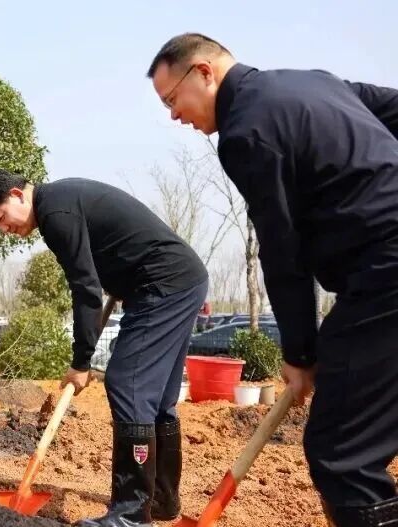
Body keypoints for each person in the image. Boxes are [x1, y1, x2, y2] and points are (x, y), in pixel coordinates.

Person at [147, 33, 398, 526]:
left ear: (204, 72)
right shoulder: (314, 83)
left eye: (172, 99)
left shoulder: (245, 132)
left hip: (385, 270)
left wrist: (300, 353)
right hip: (377, 273)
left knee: (342, 452)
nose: (174, 115)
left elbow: (283, 250)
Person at [0, 171, 208, 526]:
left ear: (18, 194)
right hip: (181, 280)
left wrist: (81, 362)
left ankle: (130, 515)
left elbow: (85, 288)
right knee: (156, 399)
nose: (4, 229)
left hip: (162, 286)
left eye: (1, 218)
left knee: (128, 385)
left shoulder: (55, 214)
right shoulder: (62, 200)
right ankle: (161, 500)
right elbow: (99, 268)